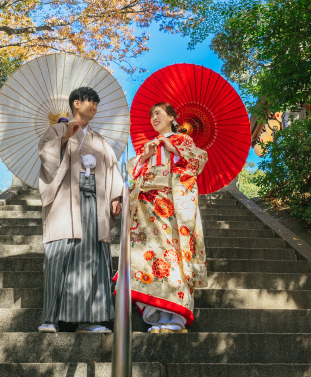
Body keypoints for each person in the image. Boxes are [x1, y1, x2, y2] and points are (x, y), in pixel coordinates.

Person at [37, 86, 124, 333]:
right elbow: (46, 156)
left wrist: (116, 196)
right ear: (76, 103)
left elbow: (112, 168)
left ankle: (90, 320)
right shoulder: (57, 129)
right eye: (90, 102)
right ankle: (50, 319)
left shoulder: (100, 140)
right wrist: (64, 137)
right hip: (66, 202)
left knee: (93, 257)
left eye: (96, 103)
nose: (94, 106)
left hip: (95, 204)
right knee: (59, 256)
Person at [126, 102, 208, 333]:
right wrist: (144, 158)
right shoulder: (148, 145)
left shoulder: (183, 141)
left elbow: (197, 161)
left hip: (172, 207)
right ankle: (161, 313)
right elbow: (133, 176)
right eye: (151, 114)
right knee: (152, 258)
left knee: (174, 256)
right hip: (147, 210)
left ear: (172, 117)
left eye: (158, 113)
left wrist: (173, 148)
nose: (154, 117)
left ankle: (177, 317)